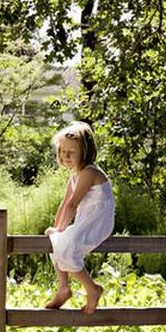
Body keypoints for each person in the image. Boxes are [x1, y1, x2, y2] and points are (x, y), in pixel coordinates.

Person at [43, 121, 114, 313]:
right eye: (62, 151)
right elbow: (65, 204)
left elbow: (74, 205)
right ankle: (64, 287)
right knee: (54, 240)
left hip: (98, 222)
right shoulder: (74, 177)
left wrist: (61, 229)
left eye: (71, 152)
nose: (65, 156)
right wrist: (57, 229)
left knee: (66, 245)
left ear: (85, 152)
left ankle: (92, 289)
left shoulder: (90, 172)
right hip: (87, 221)